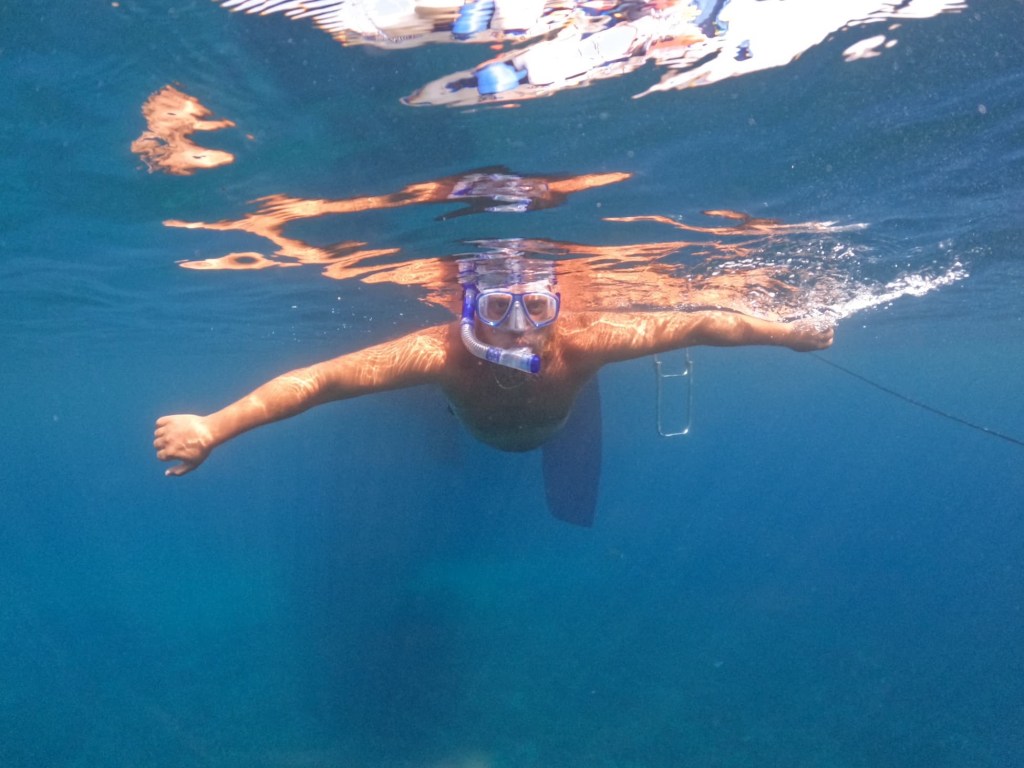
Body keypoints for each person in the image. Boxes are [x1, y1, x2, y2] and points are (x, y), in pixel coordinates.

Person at [154, 255, 833, 475]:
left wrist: (787, 333)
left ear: (557, 305)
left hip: (558, 415)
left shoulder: (584, 343)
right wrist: (213, 426)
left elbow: (703, 323)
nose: (518, 326)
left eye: (536, 306)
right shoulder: (441, 356)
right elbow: (319, 381)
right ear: (467, 306)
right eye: (497, 307)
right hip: (469, 414)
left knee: (572, 387)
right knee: (428, 401)